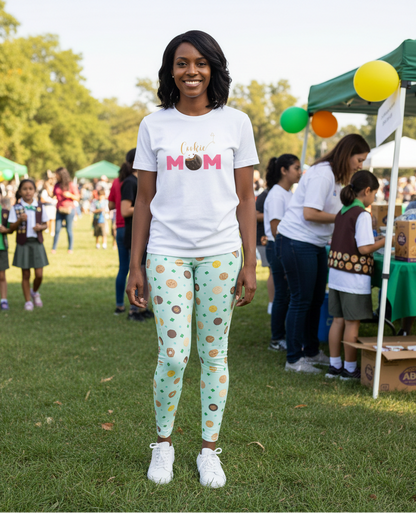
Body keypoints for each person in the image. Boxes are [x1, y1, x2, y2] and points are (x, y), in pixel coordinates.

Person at [126, 30, 258, 488]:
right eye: (182, 63)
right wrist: (135, 264)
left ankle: (208, 450)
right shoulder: (153, 125)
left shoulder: (236, 122)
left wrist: (250, 261)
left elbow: (245, 197)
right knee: (175, 355)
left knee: (215, 355)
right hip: (167, 252)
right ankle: (162, 444)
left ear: (214, 68)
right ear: (170, 71)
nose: (191, 71)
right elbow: (144, 199)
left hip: (222, 252)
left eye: (200, 63)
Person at [278, 134, 370, 373]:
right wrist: (347, 219)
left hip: (315, 244)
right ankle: (294, 359)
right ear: (347, 154)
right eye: (359, 159)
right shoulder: (322, 173)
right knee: (301, 300)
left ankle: (310, 351)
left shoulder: (340, 177)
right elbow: (310, 213)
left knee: (316, 300)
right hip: (297, 241)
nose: (360, 166)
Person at [326, 171, 387, 379]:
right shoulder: (362, 214)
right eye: (375, 193)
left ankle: (334, 366)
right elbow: (363, 248)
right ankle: (350, 369)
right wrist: (385, 241)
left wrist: (374, 238)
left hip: (336, 275)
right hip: (353, 278)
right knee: (353, 323)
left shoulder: (343, 211)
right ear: (367, 191)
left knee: (338, 321)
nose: (374, 198)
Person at [263, 155, 301, 352]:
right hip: (278, 247)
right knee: (281, 294)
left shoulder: (287, 193)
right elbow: (276, 228)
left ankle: (282, 335)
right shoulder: (277, 194)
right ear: (284, 171)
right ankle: (276, 339)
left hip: (283, 247)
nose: (300, 172)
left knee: (286, 294)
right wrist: (284, 255)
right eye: (296, 168)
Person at [120, 151, 154, 322]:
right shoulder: (130, 182)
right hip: (133, 234)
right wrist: (149, 206)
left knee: (146, 272)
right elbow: (125, 210)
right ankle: (133, 310)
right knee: (138, 271)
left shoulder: (143, 181)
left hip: (148, 235)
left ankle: (143, 307)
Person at [8, 179, 49, 310]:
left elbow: (46, 224)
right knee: (25, 274)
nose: (28, 191)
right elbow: (11, 227)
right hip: (23, 243)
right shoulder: (16, 208)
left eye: (30, 188)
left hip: (37, 243)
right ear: (20, 191)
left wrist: (40, 227)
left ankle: (35, 292)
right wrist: (19, 220)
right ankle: (28, 301)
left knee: (39, 274)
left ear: (34, 191)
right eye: (24, 189)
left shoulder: (40, 206)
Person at [108, 149, 136, 315]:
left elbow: (111, 205)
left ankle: (119, 304)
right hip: (131, 227)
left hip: (119, 227)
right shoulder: (134, 181)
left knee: (123, 268)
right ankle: (136, 305)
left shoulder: (118, 181)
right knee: (137, 268)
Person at [52, 167, 80, 254]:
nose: (56, 176)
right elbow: (52, 194)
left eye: (57, 174)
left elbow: (78, 197)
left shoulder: (70, 184)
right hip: (59, 209)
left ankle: (70, 248)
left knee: (69, 230)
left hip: (69, 210)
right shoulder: (56, 185)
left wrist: (70, 195)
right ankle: (54, 248)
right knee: (56, 230)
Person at [255, 188, 273, 314]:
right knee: (272, 271)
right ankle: (272, 304)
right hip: (264, 239)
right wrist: (275, 214)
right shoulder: (264, 195)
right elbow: (255, 215)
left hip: (270, 239)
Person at [0, 187, 11, 310]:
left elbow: (11, 228)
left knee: (2, 275)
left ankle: (3, 299)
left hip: (1, 247)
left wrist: (5, 230)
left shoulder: (5, 213)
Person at [40, 171, 57, 236]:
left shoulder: (54, 188)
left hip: (52, 206)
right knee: (47, 219)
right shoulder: (44, 191)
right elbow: (42, 199)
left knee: (53, 219)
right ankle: (47, 229)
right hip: (47, 206)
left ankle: (52, 231)